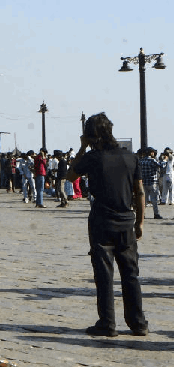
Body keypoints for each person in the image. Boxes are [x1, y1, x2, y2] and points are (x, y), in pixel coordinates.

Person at [66, 112, 148, 337]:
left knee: (104, 275)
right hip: (126, 221)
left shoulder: (93, 157)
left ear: (90, 136)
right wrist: (140, 222)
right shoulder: (130, 157)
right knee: (131, 274)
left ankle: (107, 323)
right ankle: (138, 323)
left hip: (102, 221)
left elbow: (70, 176)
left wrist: (82, 147)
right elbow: (140, 191)